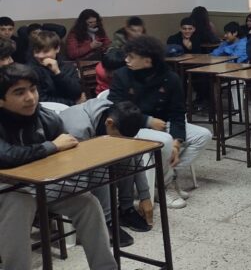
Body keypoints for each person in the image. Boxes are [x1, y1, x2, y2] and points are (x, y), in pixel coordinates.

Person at [0, 63, 118, 270]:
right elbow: (7, 156)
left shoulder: (45, 117)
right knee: (21, 201)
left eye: (33, 89)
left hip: (40, 185)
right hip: (7, 190)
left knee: (86, 202)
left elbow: (66, 152)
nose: (30, 97)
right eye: (19, 92)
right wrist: (51, 146)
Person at [108, 36, 213, 209]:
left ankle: (164, 179)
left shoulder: (170, 78)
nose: (126, 60)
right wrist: (147, 120)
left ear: (148, 60)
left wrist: (177, 143)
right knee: (164, 140)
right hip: (131, 127)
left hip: (163, 125)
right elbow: (114, 107)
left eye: (131, 57)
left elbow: (178, 113)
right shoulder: (122, 75)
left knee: (203, 135)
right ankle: (166, 186)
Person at [60, 99, 149, 246]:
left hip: (90, 160)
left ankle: (126, 210)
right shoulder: (78, 129)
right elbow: (79, 173)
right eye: (119, 138)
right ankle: (106, 222)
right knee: (100, 165)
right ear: (109, 123)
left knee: (127, 156)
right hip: (69, 171)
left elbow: (136, 156)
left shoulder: (116, 113)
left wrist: (145, 196)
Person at [29, 31, 84, 106]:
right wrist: (72, 103)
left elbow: (77, 92)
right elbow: (41, 100)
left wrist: (58, 73)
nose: (40, 56)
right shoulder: (30, 70)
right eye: (37, 51)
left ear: (57, 49)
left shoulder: (68, 67)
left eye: (45, 51)